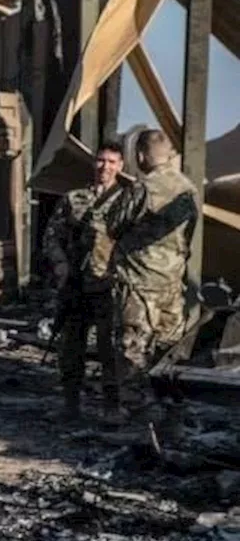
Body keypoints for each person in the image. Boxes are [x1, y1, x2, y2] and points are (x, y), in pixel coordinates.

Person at [42, 141, 140, 422]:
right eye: (100, 161)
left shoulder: (128, 200)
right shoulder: (74, 198)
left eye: (111, 162)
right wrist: (61, 265)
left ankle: (111, 406)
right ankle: (70, 404)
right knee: (71, 346)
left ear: (121, 166)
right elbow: (52, 236)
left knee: (110, 348)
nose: (104, 167)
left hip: (108, 285)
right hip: (75, 283)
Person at [112, 129, 199, 430]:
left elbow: (114, 224)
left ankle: (137, 420)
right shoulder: (188, 188)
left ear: (139, 156)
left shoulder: (143, 188)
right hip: (172, 284)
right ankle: (170, 416)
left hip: (138, 283)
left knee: (133, 349)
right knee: (168, 351)